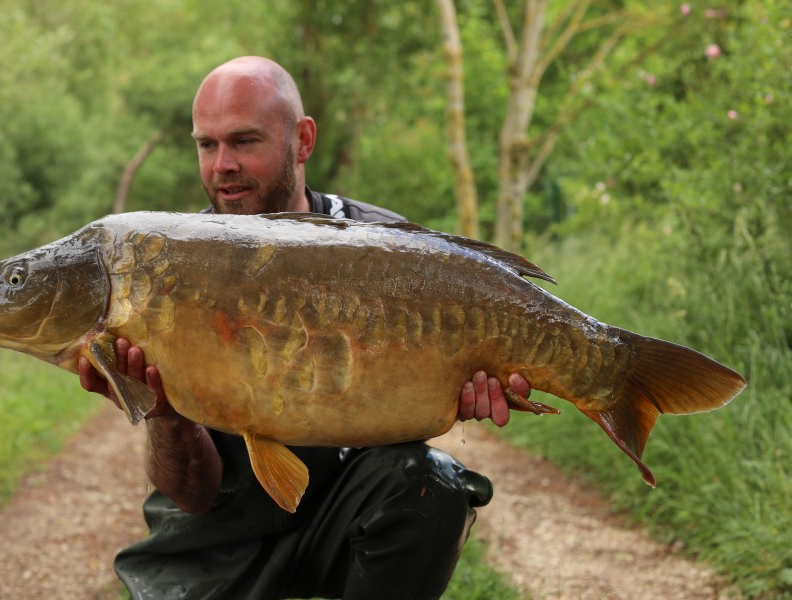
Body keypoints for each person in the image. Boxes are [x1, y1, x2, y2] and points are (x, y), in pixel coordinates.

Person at [79, 56, 532, 600]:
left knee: (430, 483)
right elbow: (192, 496)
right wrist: (168, 415)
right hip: (213, 537)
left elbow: (412, 412)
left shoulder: (384, 249)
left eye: (244, 141)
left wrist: (463, 386)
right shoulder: (167, 266)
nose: (222, 164)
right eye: (207, 144)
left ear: (303, 140)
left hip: (346, 514)